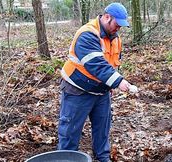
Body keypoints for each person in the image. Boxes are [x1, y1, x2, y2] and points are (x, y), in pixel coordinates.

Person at [57, 3, 132, 162]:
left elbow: (112, 64)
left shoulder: (115, 38)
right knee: (70, 131)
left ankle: (103, 158)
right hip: (78, 90)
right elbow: (97, 65)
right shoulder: (87, 34)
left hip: (101, 92)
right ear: (106, 17)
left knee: (102, 130)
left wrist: (111, 83)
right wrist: (118, 82)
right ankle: (66, 159)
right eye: (116, 24)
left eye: (121, 25)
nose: (118, 28)